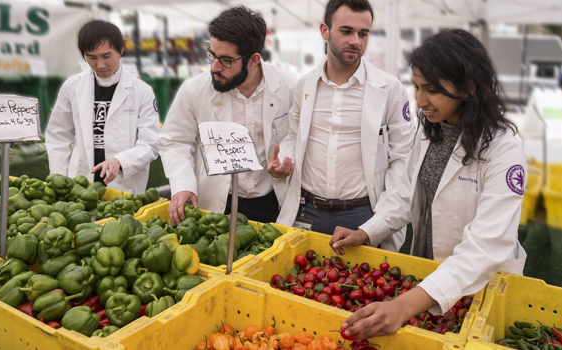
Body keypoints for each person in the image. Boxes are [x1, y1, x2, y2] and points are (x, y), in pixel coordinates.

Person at [333, 29, 528, 339]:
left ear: (470, 86)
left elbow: (485, 247)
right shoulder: (430, 131)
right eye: (417, 86)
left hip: (479, 286)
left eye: (432, 89)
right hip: (429, 280)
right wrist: (366, 231)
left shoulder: (503, 151)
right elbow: (405, 194)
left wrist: (402, 306)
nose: (420, 100)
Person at [268, 0, 415, 252]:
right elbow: (295, 135)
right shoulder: (305, 84)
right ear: (324, 31)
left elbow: (403, 160)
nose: (356, 41)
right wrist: (284, 160)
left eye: (363, 33)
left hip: (363, 217)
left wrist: (378, 223)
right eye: (346, 31)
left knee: (358, 289)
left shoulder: (390, 89)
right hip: (307, 211)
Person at [159, 6, 297, 225]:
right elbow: (174, 141)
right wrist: (183, 184)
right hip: (214, 203)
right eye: (212, 55)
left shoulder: (289, 86)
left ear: (253, 60)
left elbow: (295, 134)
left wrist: (286, 159)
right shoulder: (194, 89)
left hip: (270, 202)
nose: (214, 67)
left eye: (226, 60)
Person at [45, 20, 160, 194]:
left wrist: (120, 160)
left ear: (121, 49)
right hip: (81, 179)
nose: (100, 65)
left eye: (106, 56)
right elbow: (58, 135)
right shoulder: (72, 87)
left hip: (124, 184)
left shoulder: (142, 91)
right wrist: (58, 179)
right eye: (92, 57)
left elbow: (150, 144)